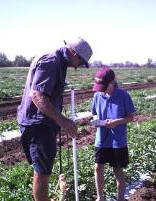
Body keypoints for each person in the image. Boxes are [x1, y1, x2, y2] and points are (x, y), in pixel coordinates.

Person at [17, 38, 93, 201]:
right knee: (42, 172)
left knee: (42, 169)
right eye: (80, 62)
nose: (78, 67)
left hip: (43, 122)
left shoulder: (59, 61)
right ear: (73, 53)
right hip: (38, 123)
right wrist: (62, 120)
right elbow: (37, 95)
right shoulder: (51, 61)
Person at [91, 67, 136, 201]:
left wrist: (117, 122)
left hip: (118, 140)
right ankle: (100, 198)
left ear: (112, 82)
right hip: (102, 138)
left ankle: (120, 198)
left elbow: (131, 117)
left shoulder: (123, 96)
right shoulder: (98, 95)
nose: (101, 89)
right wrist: (96, 120)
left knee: (117, 170)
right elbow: (94, 113)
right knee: (98, 167)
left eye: (104, 86)